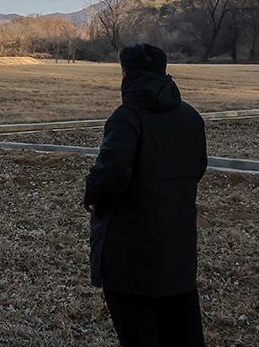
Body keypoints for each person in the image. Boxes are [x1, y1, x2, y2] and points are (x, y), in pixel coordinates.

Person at [84, 43, 208, 347]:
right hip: (179, 251)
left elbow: (111, 174)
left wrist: (91, 191)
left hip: (129, 258)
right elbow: (198, 168)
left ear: (126, 74)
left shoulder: (126, 118)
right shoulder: (191, 117)